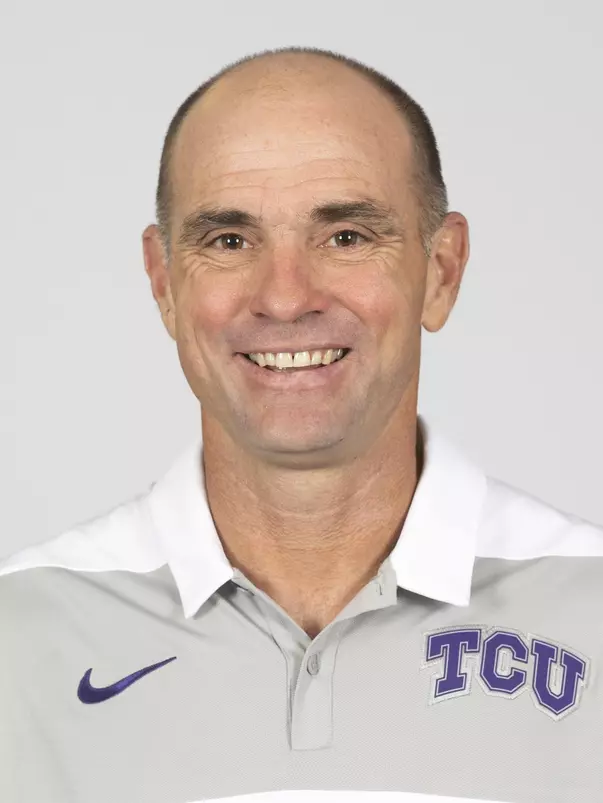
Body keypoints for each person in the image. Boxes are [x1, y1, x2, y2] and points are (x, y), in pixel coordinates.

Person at [1, 46, 602, 803]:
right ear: (163, 283)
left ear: (440, 271)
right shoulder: (18, 637)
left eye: (345, 236)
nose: (284, 298)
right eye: (228, 240)